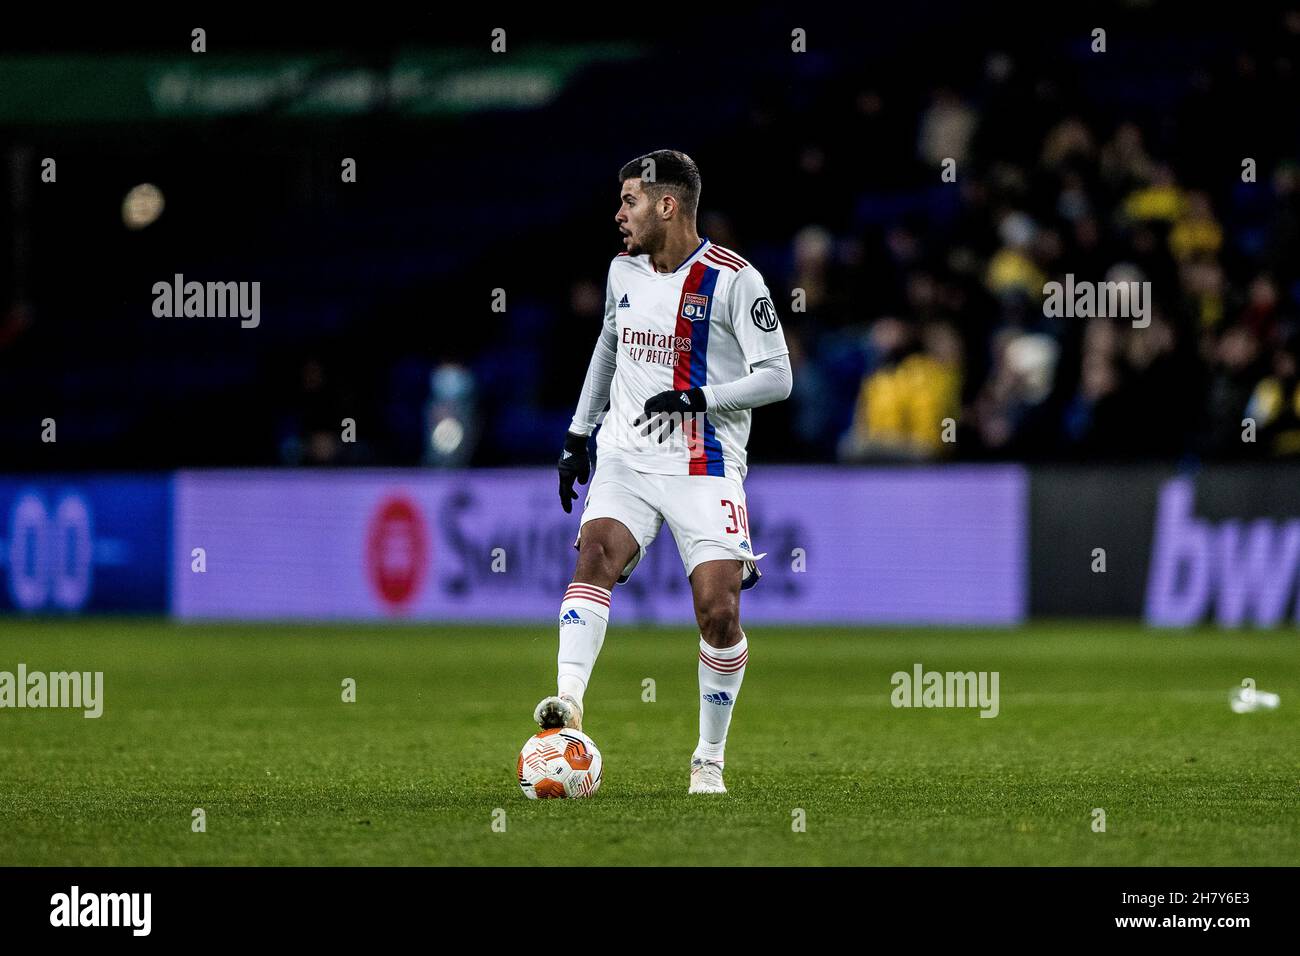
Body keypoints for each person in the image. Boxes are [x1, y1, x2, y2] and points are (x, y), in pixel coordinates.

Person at [536, 149, 792, 794]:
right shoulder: (623, 271)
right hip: (626, 453)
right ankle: (567, 710)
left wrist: (699, 399)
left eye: (630, 201)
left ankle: (708, 755)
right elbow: (607, 346)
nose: (619, 213)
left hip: (703, 463)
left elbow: (778, 378)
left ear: (667, 205)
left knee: (718, 612)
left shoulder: (735, 281)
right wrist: (578, 432)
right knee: (595, 555)